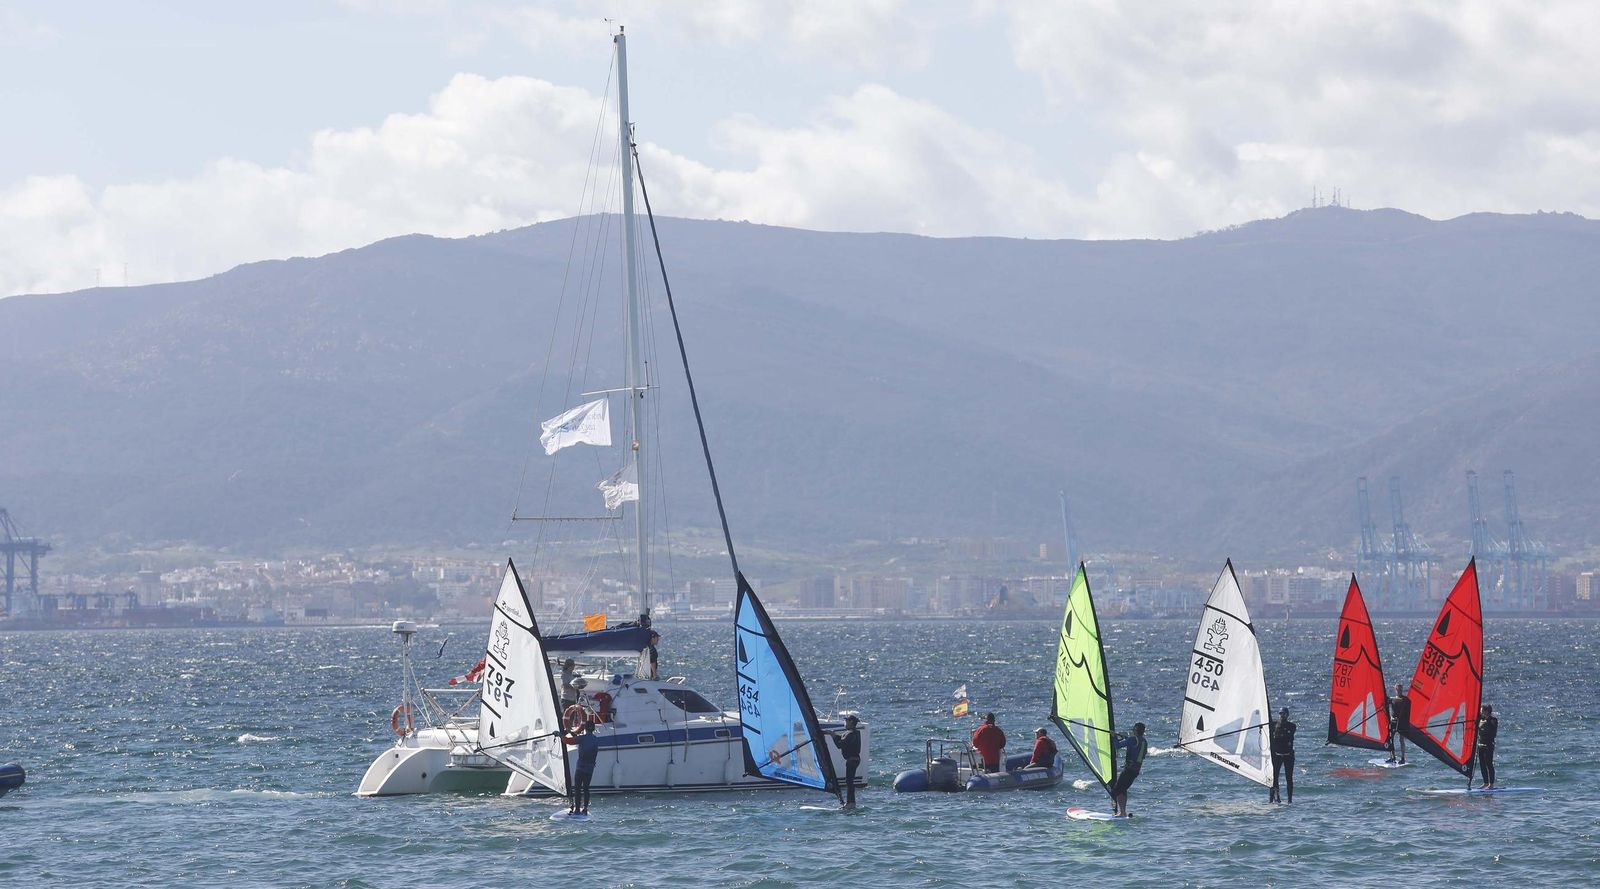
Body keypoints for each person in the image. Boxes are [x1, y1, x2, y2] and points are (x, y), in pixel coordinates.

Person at [562, 718, 602, 815]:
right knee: (586, 788)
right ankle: (585, 808)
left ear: (585, 728)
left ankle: (576, 810)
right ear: (593, 729)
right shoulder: (595, 740)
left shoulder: (582, 738)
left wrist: (560, 735)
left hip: (580, 768)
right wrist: (570, 733)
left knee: (577, 788)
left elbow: (568, 741)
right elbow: (582, 740)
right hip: (590, 769)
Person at [1108, 722, 1147, 817]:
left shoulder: (1132, 739)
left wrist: (1114, 736)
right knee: (1123, 789)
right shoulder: (1144, 742)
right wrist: (1126, 738)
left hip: (1129, 770)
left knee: (1115, 791)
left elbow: (1117, 746)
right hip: (1135, 771)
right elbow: (1137, 750)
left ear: (1135, 730)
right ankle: (1123, 812)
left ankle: (1120, 812)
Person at [826, 714, 863, 808]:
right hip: (853, 760)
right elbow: (842, 739)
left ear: (851, 722)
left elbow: (840, 745)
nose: (844, 723)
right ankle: (851, 803)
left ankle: (851, 803)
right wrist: (832, 734)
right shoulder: (851, 732)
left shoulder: (851, 733)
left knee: (849, 782)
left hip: (852, 760)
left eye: (846, 721)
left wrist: (833, 736)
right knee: (849, 781)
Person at [1269, 707, 1296, 803]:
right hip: (1277, 755)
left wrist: (1277, 725)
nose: (1282, 716)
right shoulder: (1273, 725)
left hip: (1288, 755)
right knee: (1274, 778)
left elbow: (1285, 736)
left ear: (1287, 715)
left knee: (1289, 778)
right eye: (1280, 714)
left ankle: (1290, 800)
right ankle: (1274, 799)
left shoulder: (1292, 726)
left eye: (1284, 714)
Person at [1387, 683, 1410, 764]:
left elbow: (1407, 706)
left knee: (1401, 740)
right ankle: (1392, 757)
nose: (1399, 691)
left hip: (1401, 722)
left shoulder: (1405, 700)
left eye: (1400, 689)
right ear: (1395, 690)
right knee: (1390, 739)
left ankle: (1403, 758)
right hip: (1393, 722)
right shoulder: (1392, 699)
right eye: (1397, 689)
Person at [1477, 704, 1498, 790]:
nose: (1481, 712)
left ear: (1486, 711)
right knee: (1482, 765)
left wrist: (1487, 717)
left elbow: (1493, 726)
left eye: (1482, 711)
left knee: (1489, 764)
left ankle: (1491, 784)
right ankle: (1485, 783)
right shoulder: (1480, 720)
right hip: (1480, 745)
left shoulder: (1493, 720)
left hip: (1488, 745)